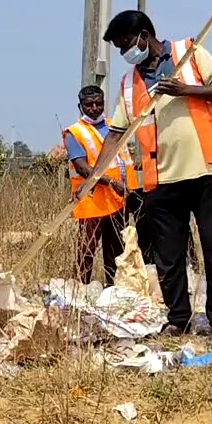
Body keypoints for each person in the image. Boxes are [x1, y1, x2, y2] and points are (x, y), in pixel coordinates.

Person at [95, 10, 212, 351]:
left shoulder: (190, 53)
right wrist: (96, 175)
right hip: (161, 181)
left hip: (208, 171)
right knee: (168, 257)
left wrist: (185, 89)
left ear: (145, 36)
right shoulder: (130, 83)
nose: (124, 52)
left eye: (126, 44)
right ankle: (178, 319)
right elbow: (117, 133)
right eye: (118, 48)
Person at [64, 85, 135, 285]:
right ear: (80, 106)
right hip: (92, 200)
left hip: (118, 200)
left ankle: (112, 291)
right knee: (87, 249)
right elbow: (83, 168)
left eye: (98, 103)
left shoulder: (115, 127)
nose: (94, 108)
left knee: (116, 250)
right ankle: (81, 290)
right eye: (89, 104)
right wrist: (111, 182)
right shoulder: (74, 133)